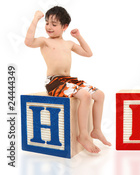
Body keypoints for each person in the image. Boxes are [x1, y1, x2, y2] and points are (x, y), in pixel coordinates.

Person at [25, 6, 110, 153]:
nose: (49, 27)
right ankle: (83, 135)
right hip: (54, 81)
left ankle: (96, 130)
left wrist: (78, 36)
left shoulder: (68, 43)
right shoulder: (45, 41)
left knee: (100, 95)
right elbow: (28, 41)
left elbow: (88, 53)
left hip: (69, 80)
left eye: (54, 24)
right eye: (47, 23)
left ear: (65, 26)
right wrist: (35, 19)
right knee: (85, 95)